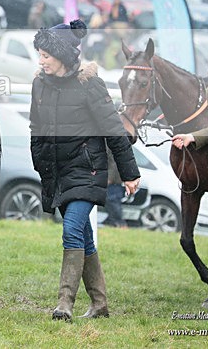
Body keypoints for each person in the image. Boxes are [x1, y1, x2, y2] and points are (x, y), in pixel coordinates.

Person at [30, 19, 141, 321]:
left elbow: (114, 131)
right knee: (85, 235)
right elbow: (36, 127)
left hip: (87, 171)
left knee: (71, 230)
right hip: (57, 172)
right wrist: (40, 162)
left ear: (64, 55)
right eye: (39, 54)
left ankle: (64, 302)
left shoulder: (89, 84)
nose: (41, 61)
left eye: (46, 55)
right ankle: (100, 303)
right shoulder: (39, 83)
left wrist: (130, 173)